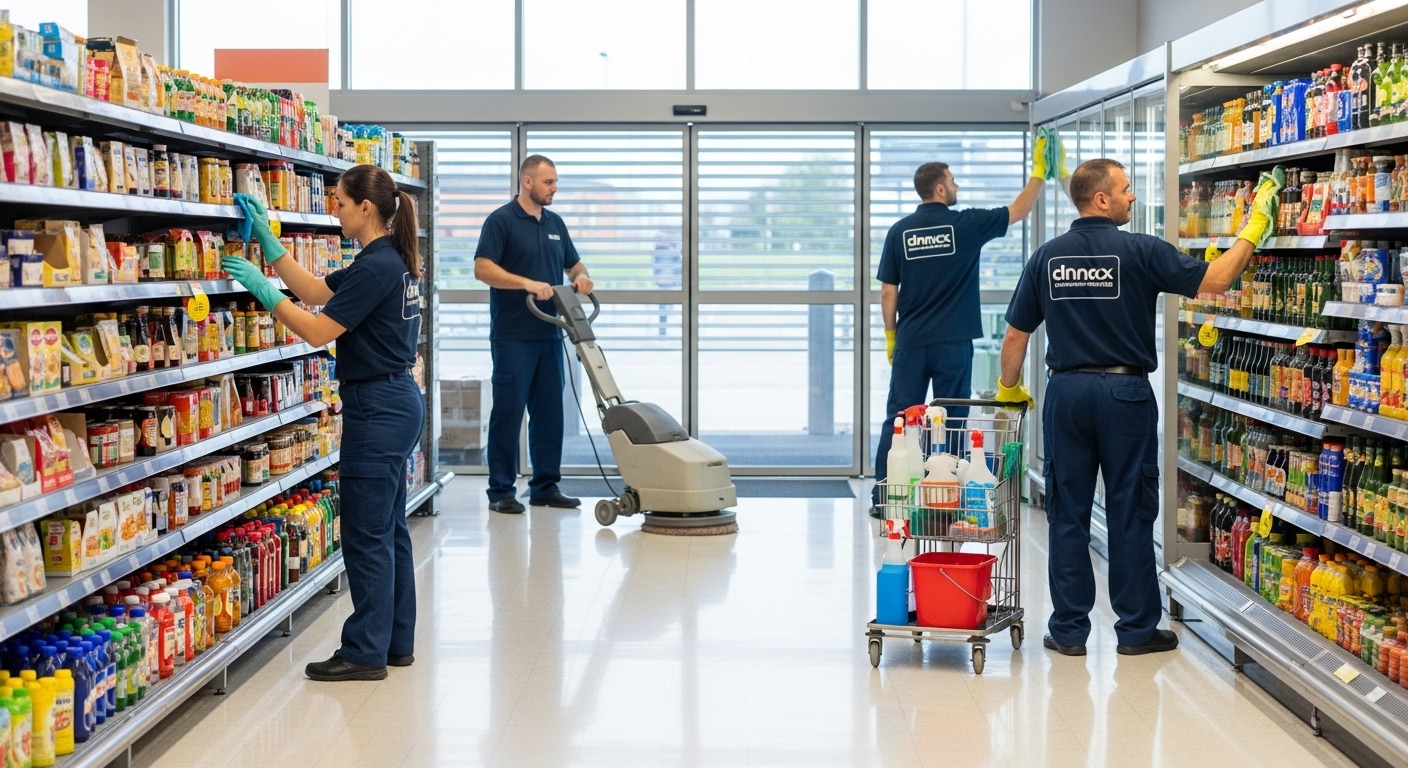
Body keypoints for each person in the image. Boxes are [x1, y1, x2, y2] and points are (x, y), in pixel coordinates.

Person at [997, 158, 1281, 656]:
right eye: (1126, 190)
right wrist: (1253, 227)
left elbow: (1017, 333)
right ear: (1101, 199)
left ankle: (1068, 632)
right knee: (1129, 509)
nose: (1133, 198)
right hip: (1124, 395)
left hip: (1066, 394)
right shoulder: (1139, 250)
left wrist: (1008, 389)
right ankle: (1135, 631)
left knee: (1068, 513)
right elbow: (1216, 280)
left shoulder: (1046, 257)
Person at [222, 164, 427, 681]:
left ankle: (364, 652)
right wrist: (270, 243)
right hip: (396, 400)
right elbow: (315, 290)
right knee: (388, 528)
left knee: (365, 534)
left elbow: (315, 329)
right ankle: (395, 641)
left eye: (338, 201)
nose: (333, 209)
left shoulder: (376, 267)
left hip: (377, 407)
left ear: (366, 208)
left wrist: (265, 295)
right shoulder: (387, 260)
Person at [871, 137, 1055, 508]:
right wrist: (1039, 172)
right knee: (952, 418)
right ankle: (946, 494)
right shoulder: (966, 224)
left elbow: (889, 292)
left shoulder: (900, 231)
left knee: (900, 418)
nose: (956, 187)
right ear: (939, 188)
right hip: (954, 342)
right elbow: (1019, 209)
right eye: (952, 182)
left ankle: (885, 496)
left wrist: (891, 335)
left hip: (911, 340)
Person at [474, 155, 594, 514]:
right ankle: (501, 492)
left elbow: (574, 262)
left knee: (550, 412)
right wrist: (526, 283)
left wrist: (582, 276)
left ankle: (545, 487)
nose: (554, 188)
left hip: (551, 333)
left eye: (555, 182)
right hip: (513, 335)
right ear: (528, 182)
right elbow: (482, 269)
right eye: (549, 182)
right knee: (509, 413)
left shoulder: (555, 223)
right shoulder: (501, 221)